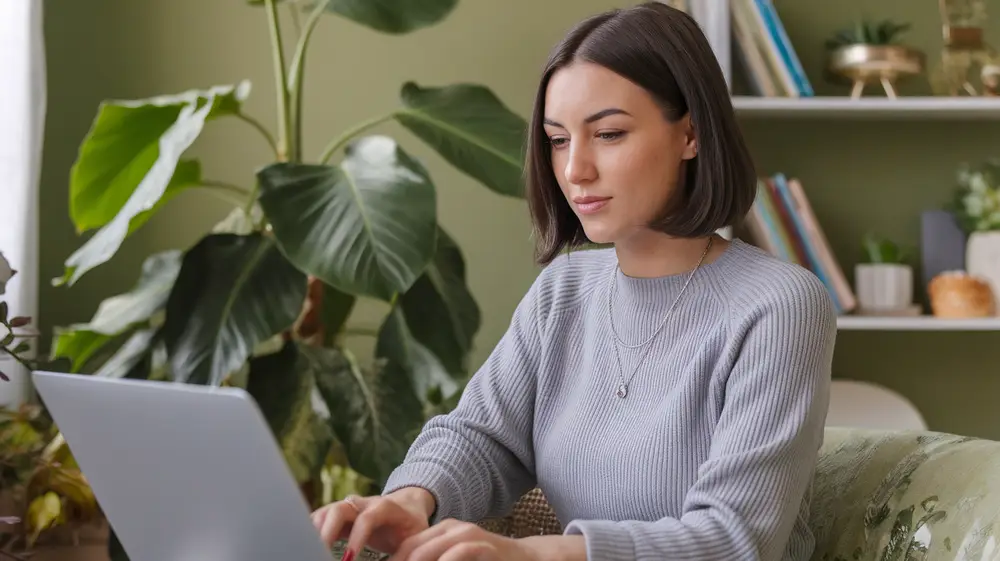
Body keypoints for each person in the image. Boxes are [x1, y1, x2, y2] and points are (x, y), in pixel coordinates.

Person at [311, 3, 838, 560]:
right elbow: (481, 435)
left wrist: (534, 555)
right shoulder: (563, 290)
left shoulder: (780, 305)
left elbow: (735, 540)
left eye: (608, 134)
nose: (574, 169)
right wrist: (415, 498)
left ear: (691, 134)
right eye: (558, 140)